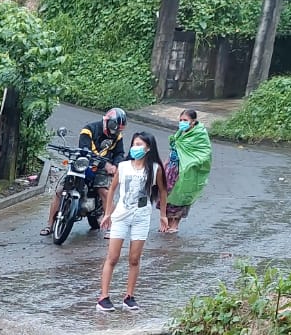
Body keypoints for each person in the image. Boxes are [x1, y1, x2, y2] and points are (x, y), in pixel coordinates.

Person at [96, 130, 166, 312]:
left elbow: (163, 191)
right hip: (121, 216)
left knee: (134, 259)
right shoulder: (123, 166)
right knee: (113, 257)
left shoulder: (155, 169)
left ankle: (129, 296)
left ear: (148, 148)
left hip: (141, 218)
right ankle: (103, 296)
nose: (136, 148)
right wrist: (108, 213)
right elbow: (112, 189)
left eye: (140, 145)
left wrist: (163, 215)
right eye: (134, 144)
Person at [42, 107, 126, 237]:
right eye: (114, 126)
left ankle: (112, 227)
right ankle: (49, 225)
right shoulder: (89, 129)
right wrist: (105, 164)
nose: (114, 131)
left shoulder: (117, 137)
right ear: (107, 122)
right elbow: (85, 148)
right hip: (84, 163)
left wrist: (115, 165)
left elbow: (120, 153)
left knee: (104, 192)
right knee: (59, 191)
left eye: (118, 129)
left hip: (102, 169)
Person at [161, 109, 212, 234]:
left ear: (193, 122)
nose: (182, 123)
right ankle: (166, 222)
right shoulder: (180, 133)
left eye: (185, 120)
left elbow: (204, 154)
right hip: (172, 169)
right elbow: (174, 149)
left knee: (181, 196)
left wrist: (190, 163)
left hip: (186, 171)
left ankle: (175, 224)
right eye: (180, 120)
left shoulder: (199, 136)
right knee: (168, 194)